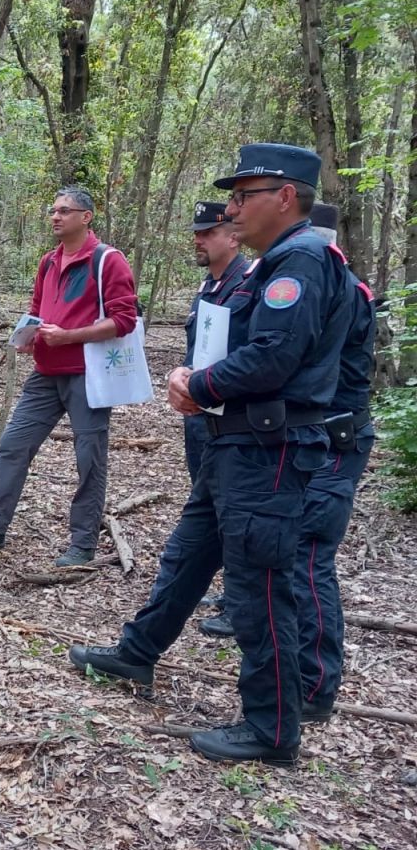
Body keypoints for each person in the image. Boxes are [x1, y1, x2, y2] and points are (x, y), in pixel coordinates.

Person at [68, 143, 352, 765]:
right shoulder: (277, 260)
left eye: (245, 196)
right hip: (235, 445)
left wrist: (199, 384)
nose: (233, 209)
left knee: (258, 587)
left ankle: (272, 729)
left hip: (267, 452)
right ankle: (137, 652)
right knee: (189, 555)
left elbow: (274, 357)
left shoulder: (302, 261)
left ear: (285, 197)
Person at [0, 186, 138, 566]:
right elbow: (37, 308)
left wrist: (70, 336)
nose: (55, 216)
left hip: (88, 375)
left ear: (86, 217)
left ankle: (82, 544)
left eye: (64, 211)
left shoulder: (108, 260)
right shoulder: (48, 261)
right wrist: (28, 335)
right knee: (12, 445)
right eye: (53, 210)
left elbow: (124, 320)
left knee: (89, 458)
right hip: (45, 373)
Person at [295, 202, 376, 725]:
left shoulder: (342, 288)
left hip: (335, 439)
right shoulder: (331, 283)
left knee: (309, 554)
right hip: (312, 435)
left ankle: (316, 684)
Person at [183, 201, 246, 639]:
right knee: (209, 504)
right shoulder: (209, 285)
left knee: (234, 509)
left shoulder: (247, 284)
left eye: (208, 233)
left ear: (233, 236)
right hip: (200, 415)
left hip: (230, 418)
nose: (198, 240)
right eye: (197, 233)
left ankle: (240, 603)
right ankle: (227, 592)